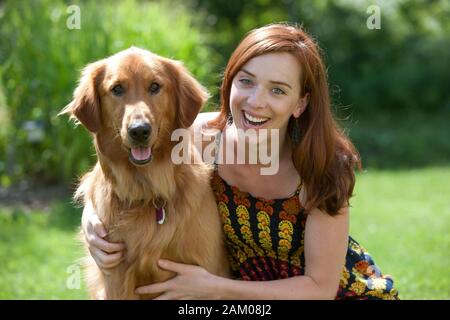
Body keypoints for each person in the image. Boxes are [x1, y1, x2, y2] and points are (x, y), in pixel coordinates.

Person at [81, 23, 399, 300]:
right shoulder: (201, 136)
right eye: (246, 82)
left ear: (300, 103)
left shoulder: (321, 169)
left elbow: (319, 289)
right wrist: (92, 217)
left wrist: (216, 289)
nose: (256, 101)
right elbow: (116, 161)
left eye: (277, 90)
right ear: (230, 81)